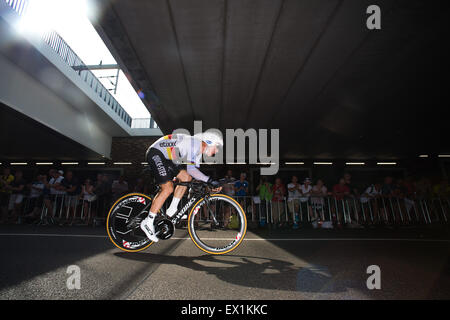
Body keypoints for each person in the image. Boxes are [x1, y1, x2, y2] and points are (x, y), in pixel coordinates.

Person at [140, 132, 223, 242]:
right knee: (168, 188)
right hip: (156, 153)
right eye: (216, 147)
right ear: (209, 142)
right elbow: (192, 170)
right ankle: (148, 222)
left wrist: (207, 183)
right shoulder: (195, 144)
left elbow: (193, 173)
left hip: (167, 157)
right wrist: (209, 180)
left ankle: (172, 209)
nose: (216, 151)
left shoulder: (198, 149)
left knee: (186, 178)